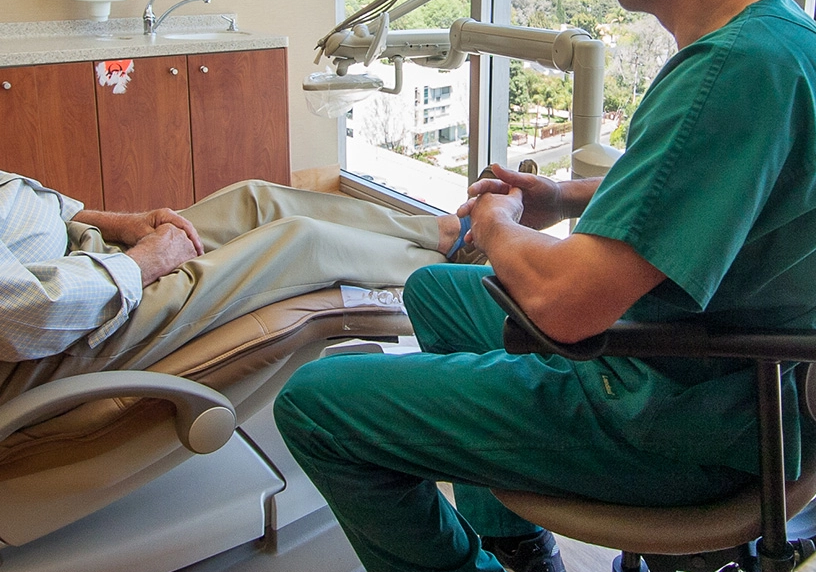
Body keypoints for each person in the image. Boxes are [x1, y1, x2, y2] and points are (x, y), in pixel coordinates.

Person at [272, 0, 816, 572]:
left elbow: (566, 307)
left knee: (316, 404)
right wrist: (559, 194)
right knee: (432, 292)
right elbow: (714, 191)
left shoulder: (728, 75)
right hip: (741, 389)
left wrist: (494, 225)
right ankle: (525, 556)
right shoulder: (784, 43)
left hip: (678, 420)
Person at [0, 170, 468, 402]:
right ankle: (453, 283)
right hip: (67, 326)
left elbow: (25, 201)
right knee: (299, 243)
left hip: (82, 259)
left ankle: (440, 236)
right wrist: (148, 262)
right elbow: (30, 313)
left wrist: (121, 224)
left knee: (256, 200)